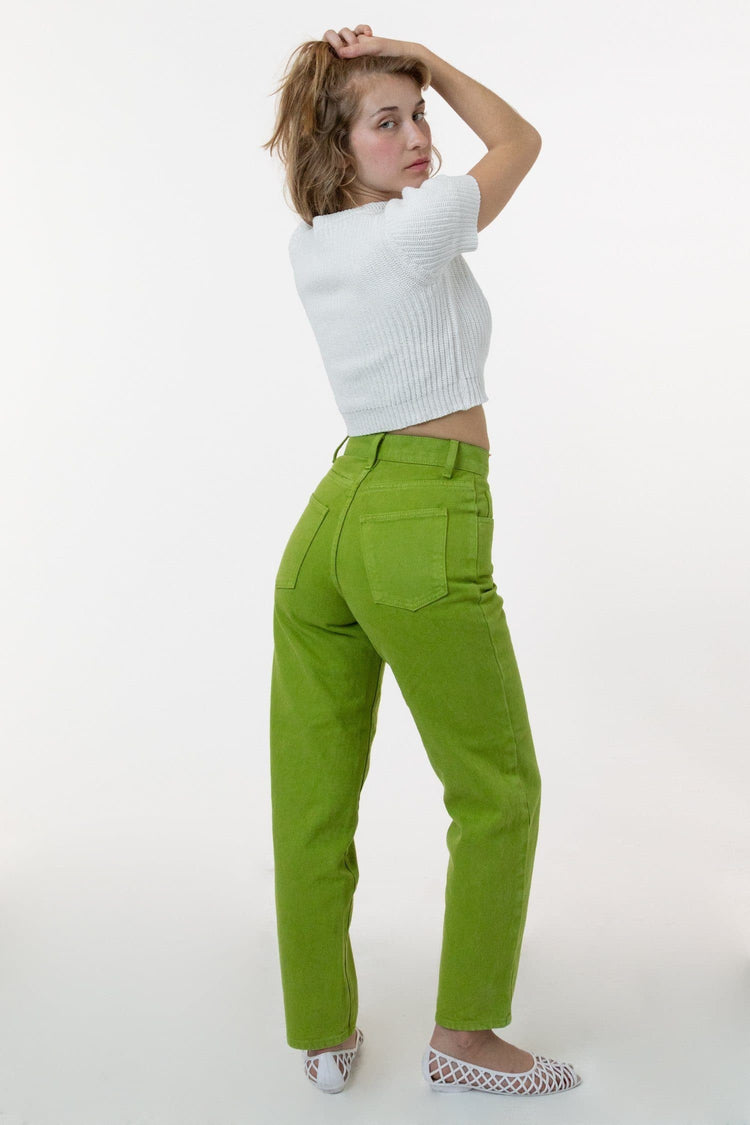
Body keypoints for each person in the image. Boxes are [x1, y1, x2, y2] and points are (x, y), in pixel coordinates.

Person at [262, 25, 583, 1097]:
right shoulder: (417, 227)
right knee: (498, 788)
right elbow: (522, 140)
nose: (417, 137)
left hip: (330, 521)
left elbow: (468, 154)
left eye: (419, 115)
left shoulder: (313, 244)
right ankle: (467, 1036)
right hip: (420, 515)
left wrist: (396, 77)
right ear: (336, 142)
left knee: (312, 797)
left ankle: (322, 1034)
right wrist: (430, 58)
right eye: (386, 121)